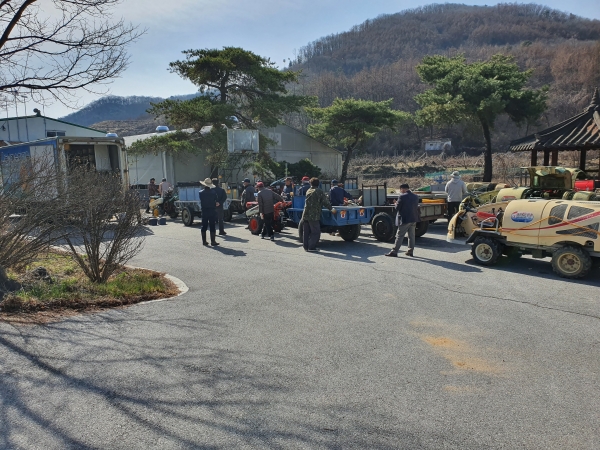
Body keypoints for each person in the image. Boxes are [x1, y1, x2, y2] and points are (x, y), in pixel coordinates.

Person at [302, 177, 336, 252]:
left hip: (305, 214)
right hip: (313, 215)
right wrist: (331, 209)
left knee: (306, 231)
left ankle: (306, 247)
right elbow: (325, 202)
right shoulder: (318, 191)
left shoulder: (308, 190)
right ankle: (311, 247)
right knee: (316, 232)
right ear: (318, 184)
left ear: (310, 183)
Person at [385, 183, 420, 258]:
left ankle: (394, 251)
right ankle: (410, 251)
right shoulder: (415, 196)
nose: (400, 191)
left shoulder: (402, 196)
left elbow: (397, 208)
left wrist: (395, 203)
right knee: (411, 236)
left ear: (402, 189)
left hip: (405, 219)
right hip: (413, 218)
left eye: (400, 190)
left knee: (399, 235)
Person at [199, 178, 220, 246]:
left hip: (204, 210)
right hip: (212, 210)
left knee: (204, 226)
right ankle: (213, 241)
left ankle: (204, 241)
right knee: (212, 225)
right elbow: (216, 201)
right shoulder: (213, 192)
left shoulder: (201, 192)